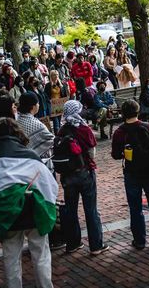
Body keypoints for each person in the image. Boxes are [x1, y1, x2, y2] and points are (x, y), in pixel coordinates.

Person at [0, 118, 58, 288]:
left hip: (7, 212)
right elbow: (49, 184)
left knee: (11, 256)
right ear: (17, 132)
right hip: (34, 208)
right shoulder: (30, 154)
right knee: (41, 253)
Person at [111, 100, 149, 250]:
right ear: (138, 111)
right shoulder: (148, 127)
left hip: (131, 172)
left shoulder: (119, 132)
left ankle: (140, 240)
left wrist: (125, 153)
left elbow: (115, 155)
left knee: (135, 208)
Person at [58, 101, 109, 255]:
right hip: (85, 172)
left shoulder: (61, 130)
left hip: (67, 175)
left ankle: (73, 243)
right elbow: (92, 153)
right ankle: (96, 245)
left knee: (70, 209)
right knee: (91, 209)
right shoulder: (84, 129)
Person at [17, 92, 55, 169]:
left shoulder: (17, 121)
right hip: (40, 166)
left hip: (25, 165)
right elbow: (52, 141)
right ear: (33, 106)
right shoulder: (37, 125)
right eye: (38, 103)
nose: (39, 105)